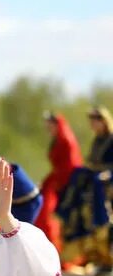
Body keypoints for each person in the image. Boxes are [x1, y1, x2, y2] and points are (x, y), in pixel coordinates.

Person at [57, 106, 113, 270]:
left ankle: (102, 225)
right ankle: (67, 215)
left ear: (103, 121)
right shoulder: (98, 140)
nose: (93, 125)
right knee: (77, 178)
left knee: (95, 184)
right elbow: (92, 162)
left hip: (106, 181)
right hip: (96, 179)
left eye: (96, 121)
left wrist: (105, 174)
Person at [36, 112, 83, 264]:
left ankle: (60, 255)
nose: (48, 127)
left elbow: (71, 166)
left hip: (67, 184)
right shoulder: (56, 140)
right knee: (41, 211)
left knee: (52, 216)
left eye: (51, 124)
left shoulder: (66, 140)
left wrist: (57, 183)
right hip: (55, 180)